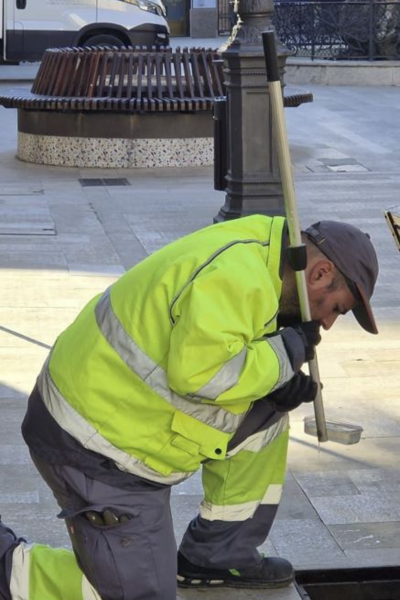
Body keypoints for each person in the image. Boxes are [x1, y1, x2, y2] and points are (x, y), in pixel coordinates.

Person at [0, 214, 378, 600]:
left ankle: (216, 555)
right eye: (335, 308)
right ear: (320, 274)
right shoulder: (239, 275)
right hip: (92, 442)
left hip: (118, 409)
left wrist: (273, 381)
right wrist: (284, 352)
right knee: (142, 594)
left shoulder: (266, 255)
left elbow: (224, 349)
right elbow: (200, 375)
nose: (328, 323)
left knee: (265, 419)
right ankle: (6, 565)